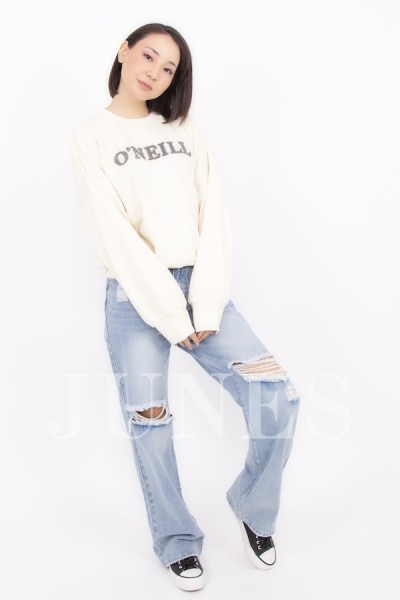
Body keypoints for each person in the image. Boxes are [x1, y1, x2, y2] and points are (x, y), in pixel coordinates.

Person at [70, 22, 300, 592]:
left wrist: (205, 303)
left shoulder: (183, 129)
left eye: (168, 67)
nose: (154, 71)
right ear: (123, 52)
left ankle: (253, 505)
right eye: (148, 56)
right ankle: (176, 541)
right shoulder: (90, 137)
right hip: (134, 296)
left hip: (201, 286)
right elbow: (114, 234)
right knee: (150, 425)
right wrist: (170, 315)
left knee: (277, 396)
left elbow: (213, 215)